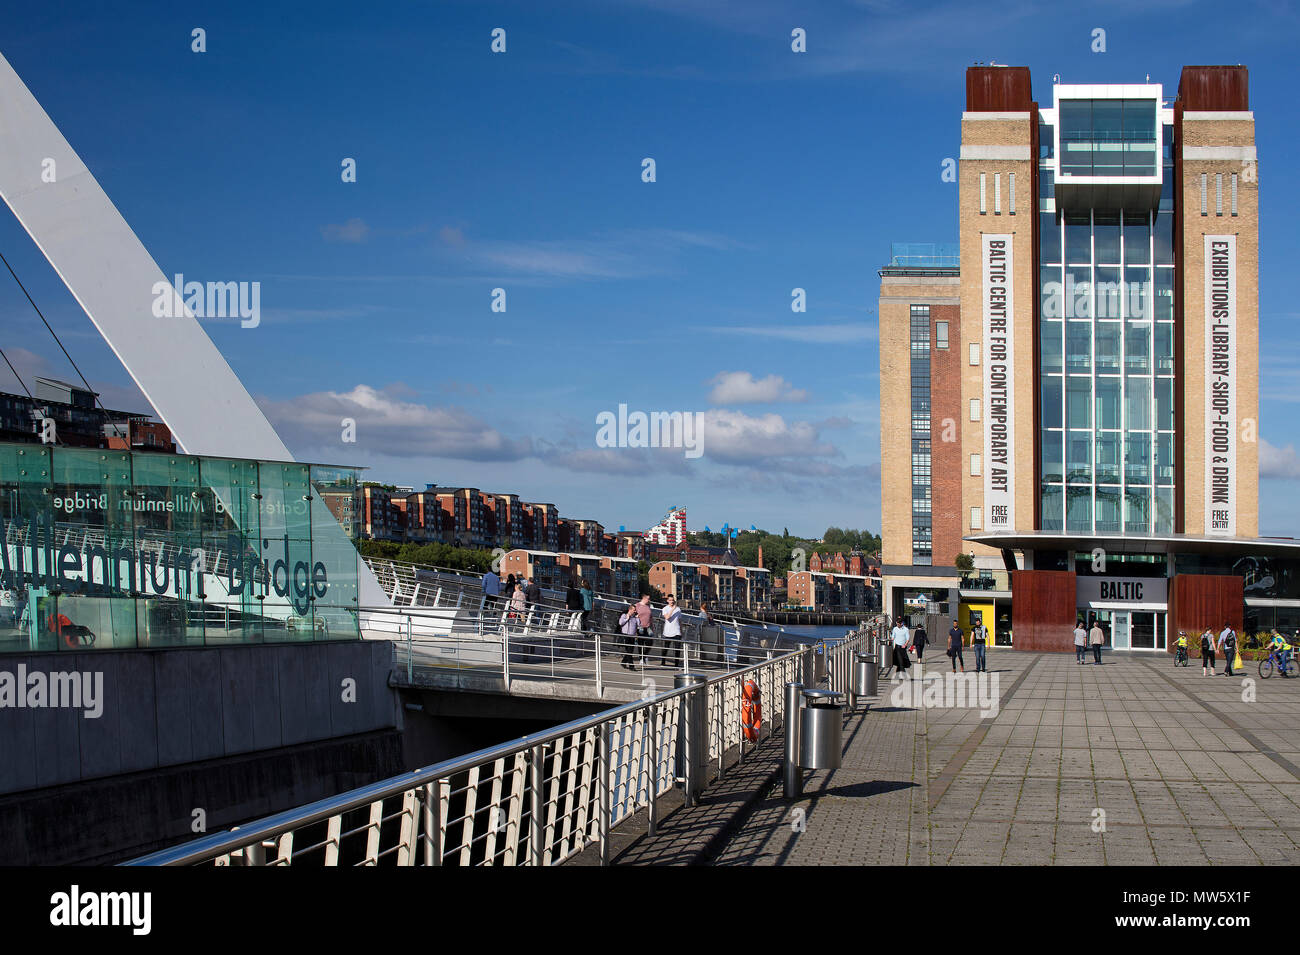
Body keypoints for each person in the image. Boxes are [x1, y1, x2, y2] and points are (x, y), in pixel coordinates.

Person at [660, 595, 683, 666]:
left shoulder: (678, 609)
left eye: (672, 600)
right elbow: (667, 617)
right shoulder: (665, 609)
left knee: (677, 648)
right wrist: (673, 609)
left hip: (676, 631)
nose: (672, 602)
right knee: (665, 648)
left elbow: (680, 620)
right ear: (667, 601)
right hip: (668, 631)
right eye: (670, 600)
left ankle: (676, 664)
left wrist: (681, 631)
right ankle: (663, 662)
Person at [619, 602, 641, 669]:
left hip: (632, 636)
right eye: (634, 610)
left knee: (630, 651)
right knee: (629, 651)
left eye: (635, 610)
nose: (635, 611)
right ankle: (631, 666)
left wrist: (637, 618)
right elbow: (620, 623)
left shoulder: (634, 617)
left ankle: (623, 662)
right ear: (630, 609)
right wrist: (627, 618)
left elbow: (639, 624)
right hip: (625, 635)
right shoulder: (624, 615)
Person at [634, 594, 654, 669]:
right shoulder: (637, 605)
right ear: (644, 598)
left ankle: (644, 656)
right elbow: (632, 612)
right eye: (648, 599)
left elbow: (650, 617)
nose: (649, 600)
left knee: (650, 642)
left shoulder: (648, 606)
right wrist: (635, 616)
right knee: (641, 643)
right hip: (640, 627)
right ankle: (641, 659)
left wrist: (652, 626)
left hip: (648, 627)